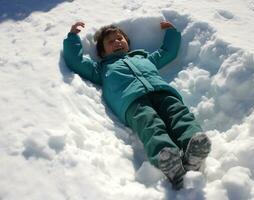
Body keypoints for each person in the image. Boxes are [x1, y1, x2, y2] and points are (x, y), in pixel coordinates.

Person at [63, 21, 211, 189]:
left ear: (127, 43)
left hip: (162, 92)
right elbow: (76, 62)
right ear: (102, 52)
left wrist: (171, 32)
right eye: (110, 42)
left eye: (119, 38)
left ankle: (193, 145)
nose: (117, 42)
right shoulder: (101, 69)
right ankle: (168, 159)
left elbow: (167, 52)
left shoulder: (144, 58)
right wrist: (72, 37)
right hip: (132, 102)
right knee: (150, 124)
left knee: (179, 114)